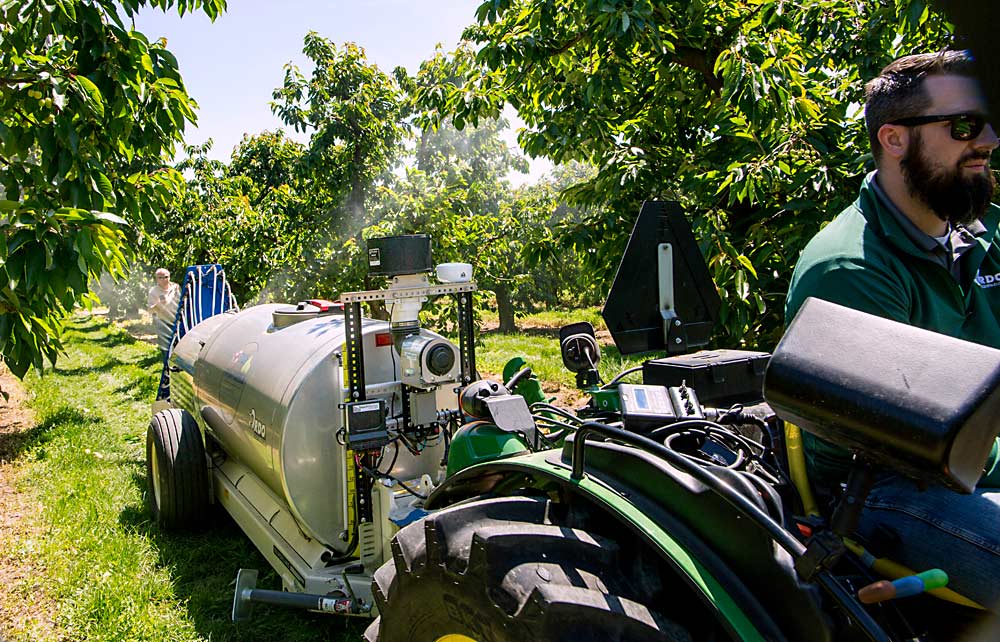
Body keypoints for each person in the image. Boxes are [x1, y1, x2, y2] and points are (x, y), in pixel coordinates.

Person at [785, 50, 1000, 610]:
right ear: (895, 139)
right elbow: (903, 451)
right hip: (890, 489)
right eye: (964, 126)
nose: (989, 141)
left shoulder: (977, 237)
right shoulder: (853, 268)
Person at [147, 267, 180, 355]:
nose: (163, 280)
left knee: (179, 343)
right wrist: (159, 304)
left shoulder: (176, 287)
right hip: (163, 322)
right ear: (156, 279)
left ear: (169, 277)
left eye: (166, 277)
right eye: (160, 278)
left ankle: (177, 364)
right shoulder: (153, 292)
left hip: (177, 320)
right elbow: (150, 310)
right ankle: (166, 364)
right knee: (165, 345)